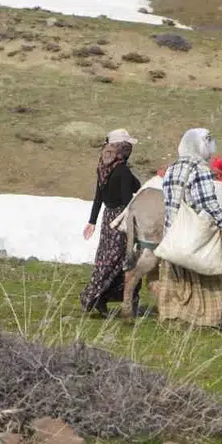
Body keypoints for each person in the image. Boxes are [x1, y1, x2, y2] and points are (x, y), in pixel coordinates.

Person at [157, 128, 222, 329]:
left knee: (181, 280)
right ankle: (208, 319)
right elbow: (207, 201)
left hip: (173, 234)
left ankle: (177, 318)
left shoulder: (172, 168)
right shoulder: (200, 168)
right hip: (196, 235)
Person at [79, 129, 142, 317]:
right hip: (121, 219)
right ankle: (93, 296)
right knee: (120, 260)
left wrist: (92, 221)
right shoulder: (122, 170)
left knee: (106, 258)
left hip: (108, 217)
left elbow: (98, 197)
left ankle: (101, 299)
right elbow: (128, 198)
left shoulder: (103, 167)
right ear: (123, 148)